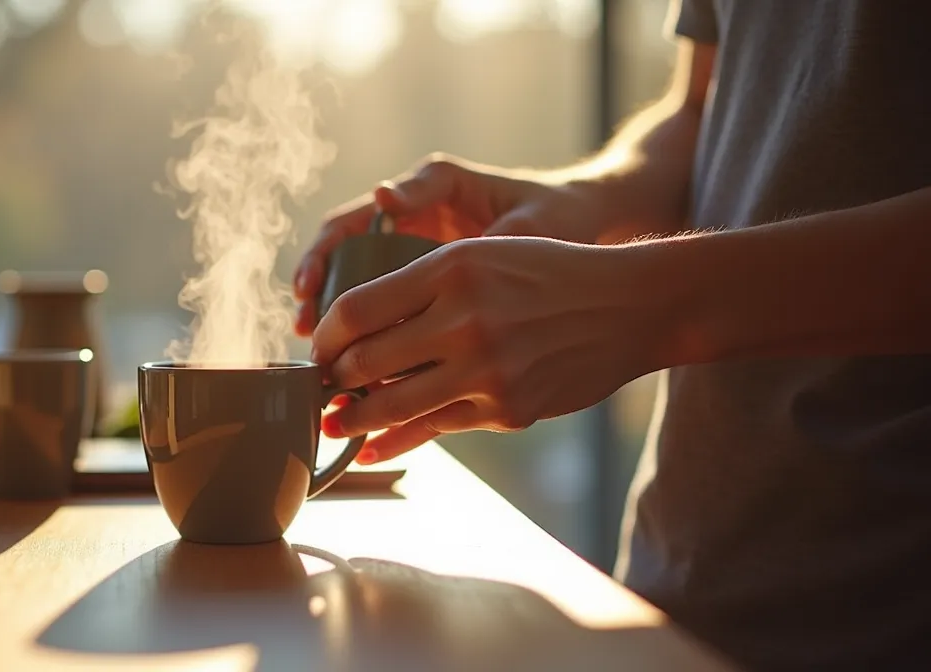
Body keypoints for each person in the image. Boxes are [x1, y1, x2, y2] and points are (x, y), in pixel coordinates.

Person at [293, 1, 931, 669]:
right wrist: (578, 202)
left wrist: (643, 301)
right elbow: (699, 109)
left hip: (888, 616)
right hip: (675, 595)